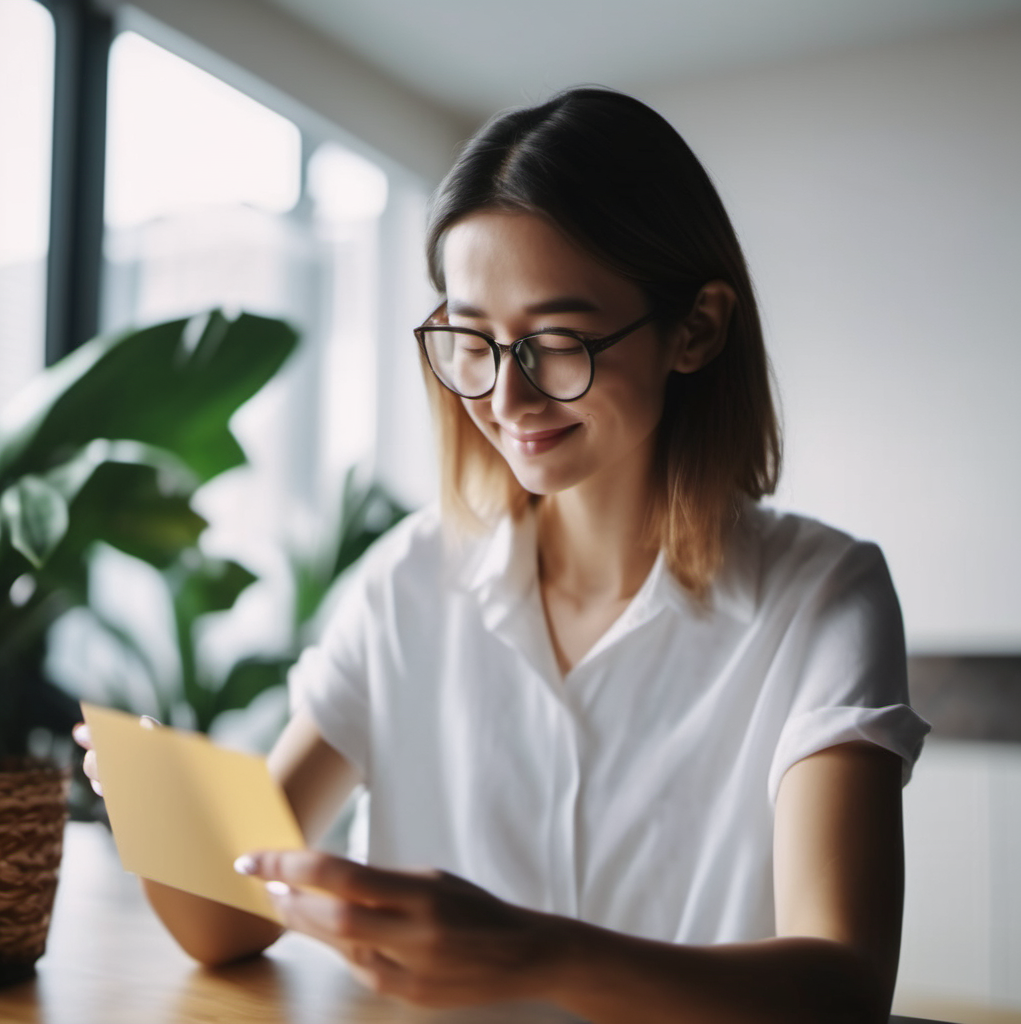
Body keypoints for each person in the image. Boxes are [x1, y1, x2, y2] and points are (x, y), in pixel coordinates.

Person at [76, 87, 929, 1023]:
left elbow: (843, 990)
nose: (508, 403)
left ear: (697, 328)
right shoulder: (409, 581)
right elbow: (232, 919)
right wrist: (163, 809)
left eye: (557, 342)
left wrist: (535, 954)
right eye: (474, 340)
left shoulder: (823, 598)